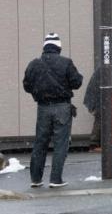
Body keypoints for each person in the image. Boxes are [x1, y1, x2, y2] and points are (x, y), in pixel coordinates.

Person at [22, 33, 83, 188]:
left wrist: (40, 91)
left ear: (45, 47)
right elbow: (77, 82)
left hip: (43, 107)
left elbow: (27, 85)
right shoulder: (66, 63)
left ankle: (36, 179)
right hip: (62, 107)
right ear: (58, 47)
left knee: (40, 143)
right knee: (60, 144)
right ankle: (56, 179)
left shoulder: (34, 64)